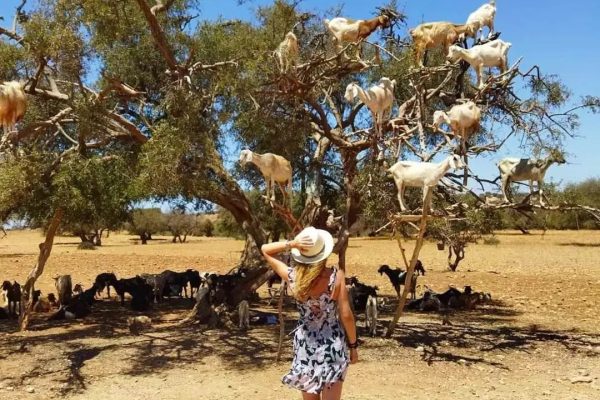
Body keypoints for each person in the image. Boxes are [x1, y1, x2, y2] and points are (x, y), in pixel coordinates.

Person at [261, 226, 358, 400]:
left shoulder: (293, 277)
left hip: (306, 345)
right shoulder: (336, 277)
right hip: (332, 345)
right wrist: (353, 346)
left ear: (302, 254)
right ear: (324, 253)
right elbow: (346, 315)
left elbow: (265, 250)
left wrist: (292, 244)